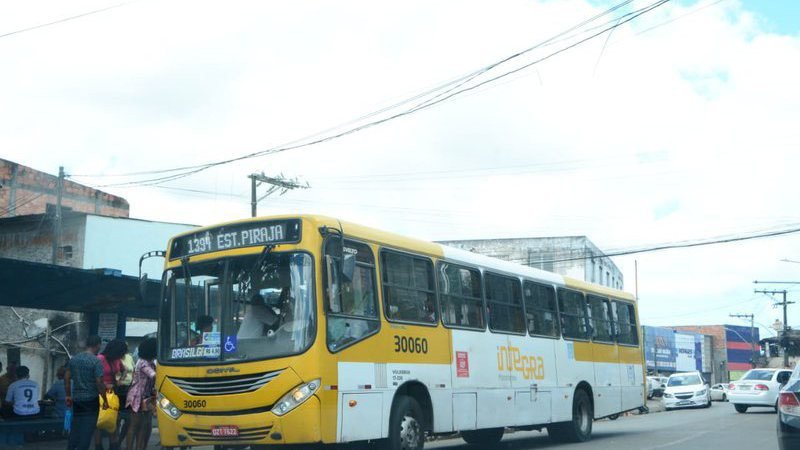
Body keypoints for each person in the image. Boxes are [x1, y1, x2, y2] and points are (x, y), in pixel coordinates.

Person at [66, 335, 109, 450]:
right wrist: (105, 399)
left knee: (76, 428)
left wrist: (68, 395)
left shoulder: (74, 359)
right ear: (98, 345)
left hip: (77, 399)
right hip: (91, 401)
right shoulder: (96, 361)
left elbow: (66, 378)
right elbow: (99, 382)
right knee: (87, 431)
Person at [124, 338, 157, 450]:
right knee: (134, 425)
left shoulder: (150, 362)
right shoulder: (143, 363)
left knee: (144, 426)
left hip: (146, 397)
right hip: (136, 397)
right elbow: (154, 375)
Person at [95, 339, 128, 450]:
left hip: (113, 392)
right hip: (101, 392)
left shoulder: (117, 360)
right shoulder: (100, 359)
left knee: (114, 419)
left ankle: (113, 445)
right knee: (101, 419)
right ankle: (98, 445)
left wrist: (120, 380)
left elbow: (125, 369)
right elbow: (95, 377)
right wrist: (105, 384)